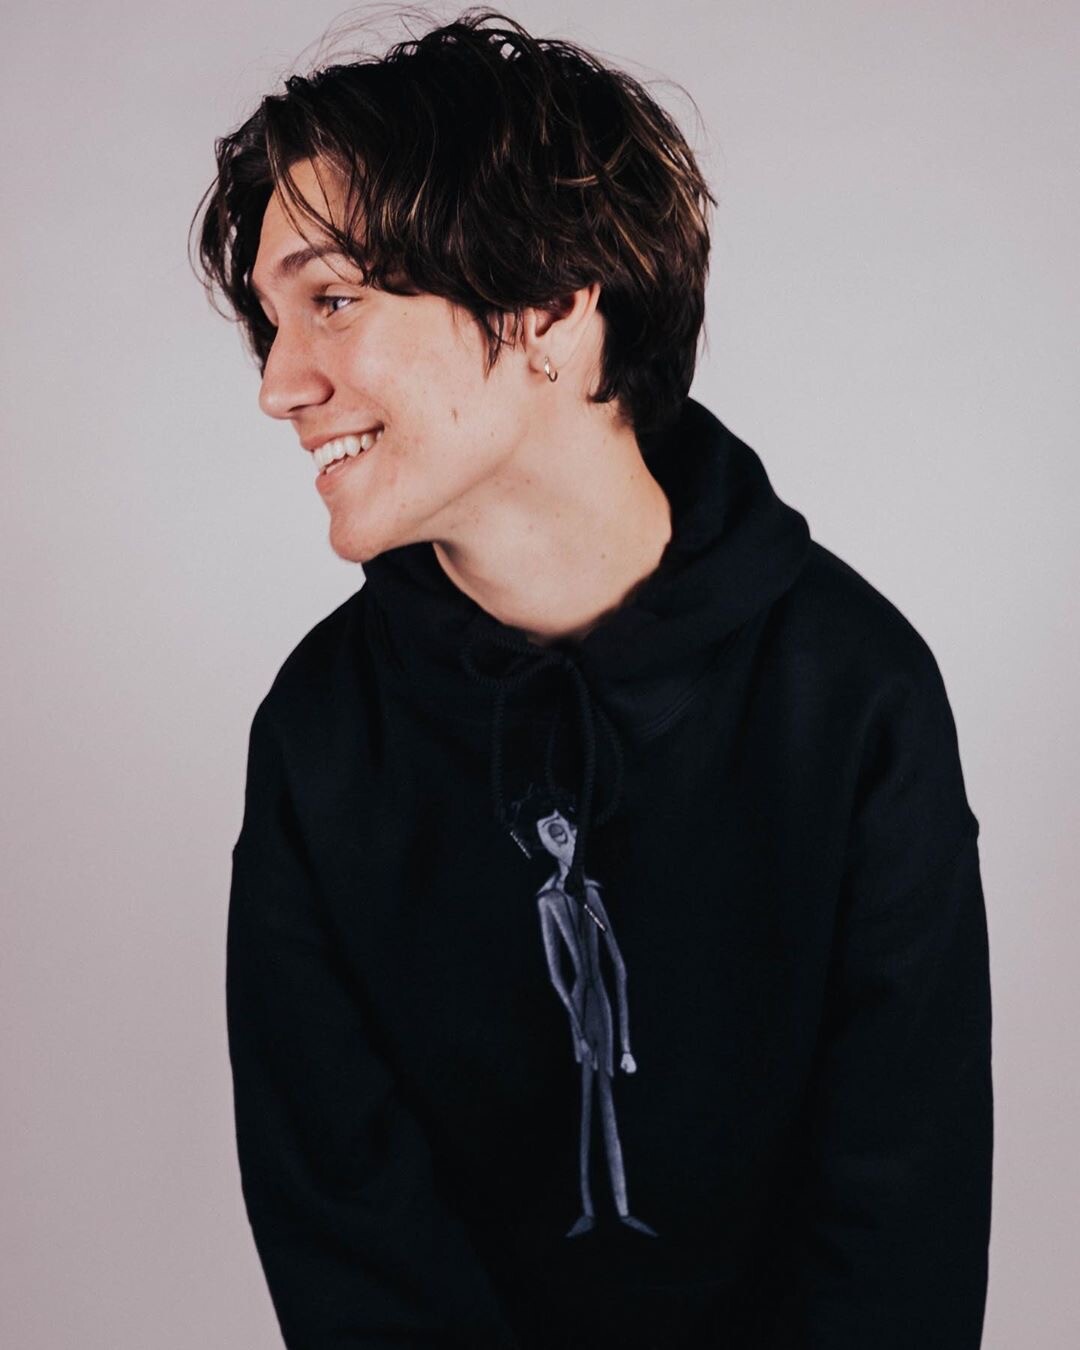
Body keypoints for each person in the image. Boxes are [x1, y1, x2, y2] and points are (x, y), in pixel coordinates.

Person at [191, 9, 994, 1348]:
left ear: (555, 306)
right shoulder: (322, 734)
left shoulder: (852, 692)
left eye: (332, 299)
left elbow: (899, 1220)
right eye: (271, 323)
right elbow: (347, 1229)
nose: (279, 384)